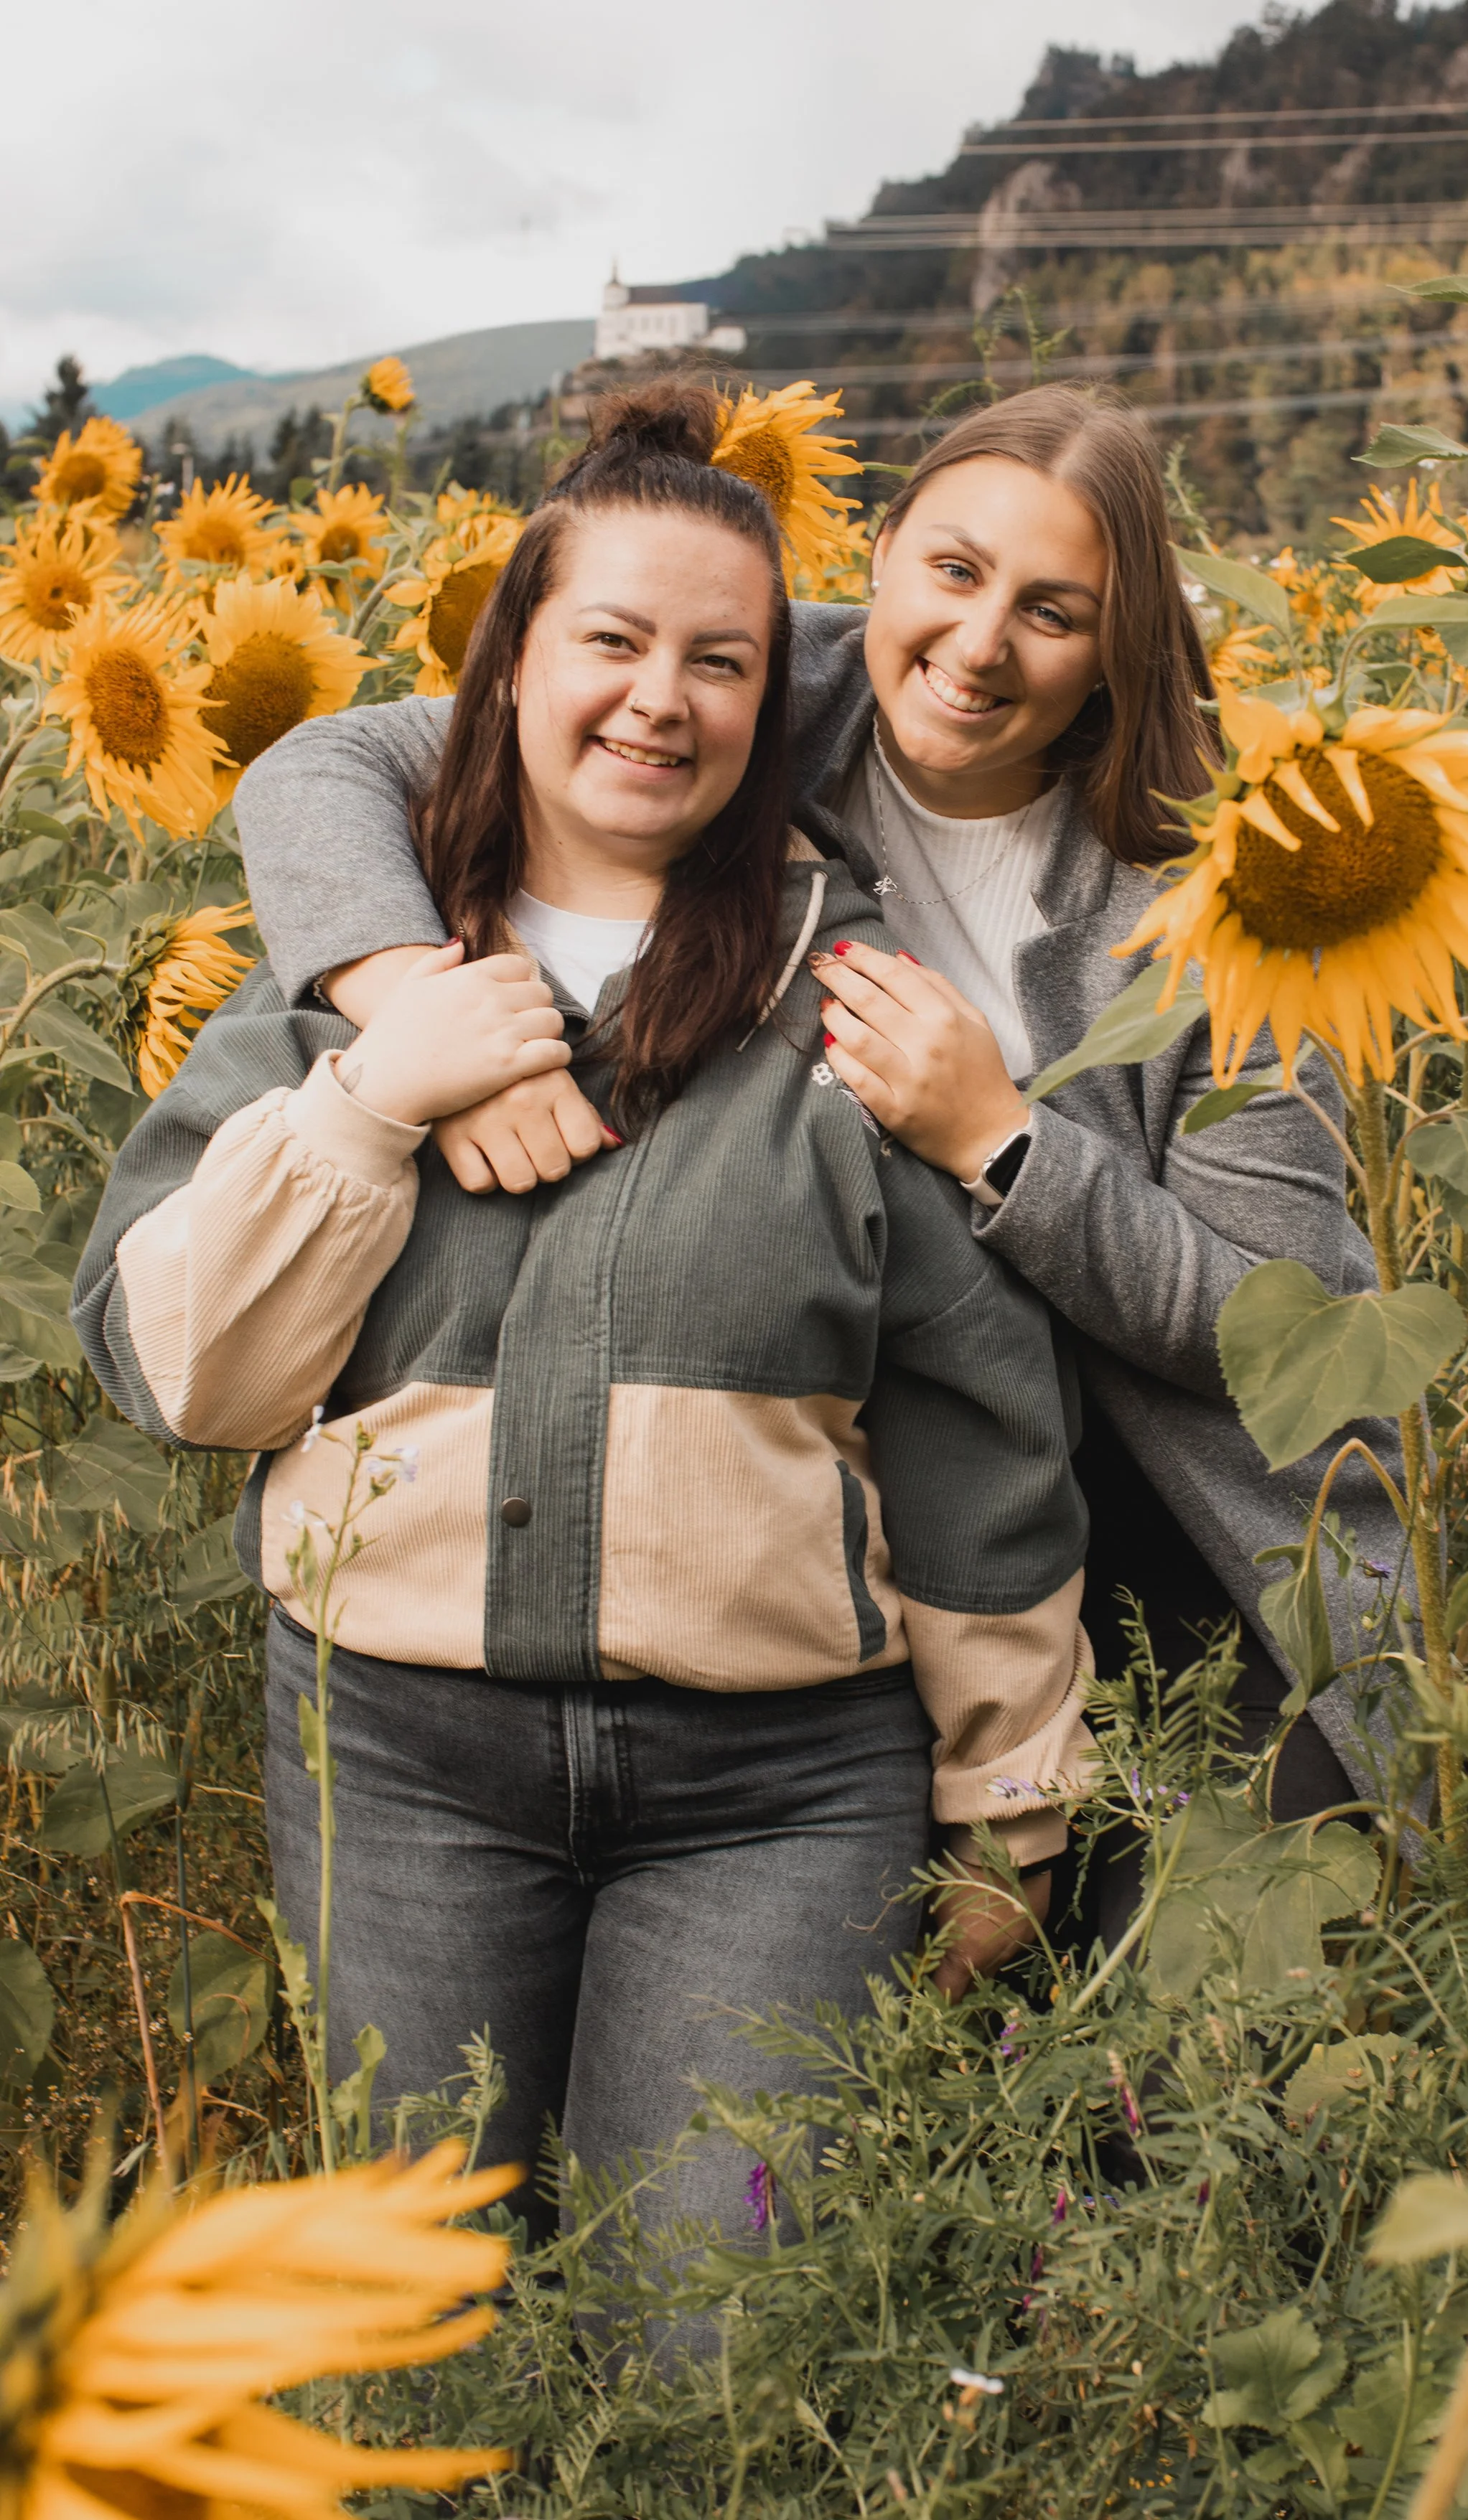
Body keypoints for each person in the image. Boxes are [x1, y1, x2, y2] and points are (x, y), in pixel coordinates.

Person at [73, 382, 1091, 2239]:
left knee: (707, 2335)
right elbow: (184, 1371)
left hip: (780, 1790)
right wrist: (384, 1089)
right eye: (610, 639)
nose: (660, 695)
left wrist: (1010, 1811)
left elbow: (970, 1430)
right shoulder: (339, 993)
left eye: (719, 659)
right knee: (421, 2320)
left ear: (765, 712)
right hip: (396, 1759)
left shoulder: (847, 1011)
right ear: (510, 667)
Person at [234, 380, 1411, 1898]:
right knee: (924, 2040)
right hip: (887, 1500)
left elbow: (1275, 1333)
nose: (980, 645)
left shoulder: (1228, 897)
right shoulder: (758, 699)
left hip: (1185, 1526)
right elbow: (319, 770)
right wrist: (420, 1016)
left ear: (1118, 651)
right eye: (953, 572)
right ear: (880, 560)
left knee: (1188, 2017)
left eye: (1052, 612)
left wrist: (1001, 1145)